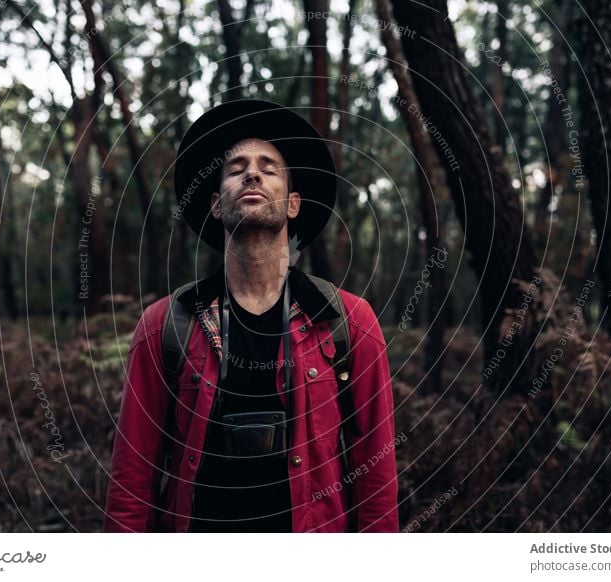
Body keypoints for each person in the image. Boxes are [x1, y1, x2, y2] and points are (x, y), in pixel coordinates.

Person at [103, 100, 398, 532]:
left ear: (293, 203)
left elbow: (375, 470)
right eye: (236, 167)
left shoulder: (348, 321)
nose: (252, 174)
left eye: (269, 167)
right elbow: (133, 472)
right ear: (217, 205)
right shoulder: (166, 325)